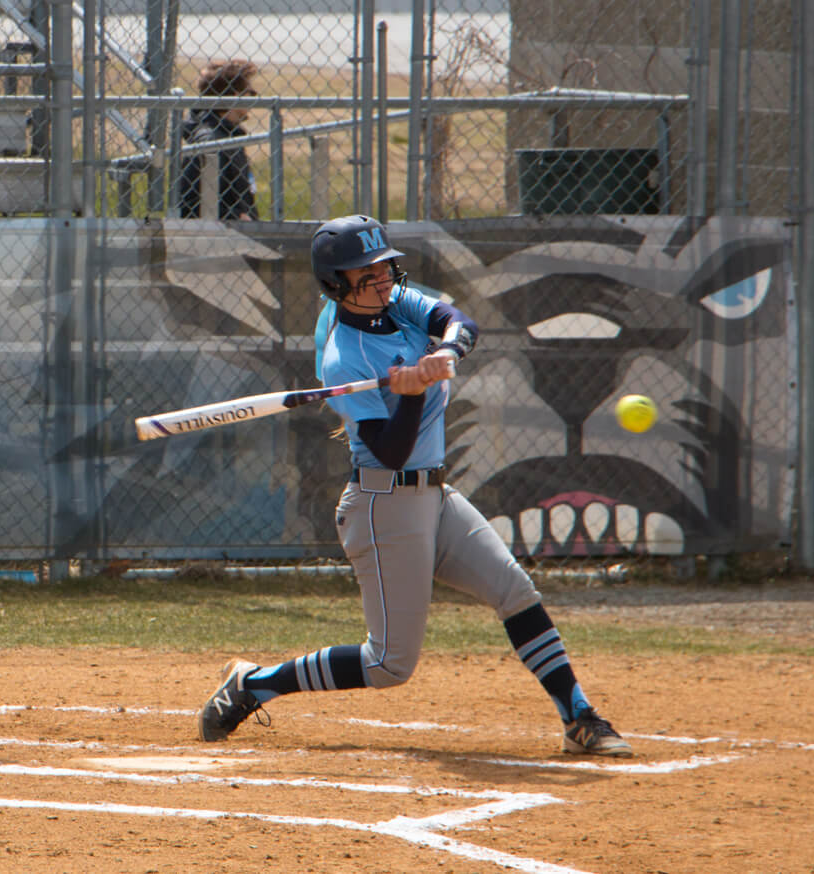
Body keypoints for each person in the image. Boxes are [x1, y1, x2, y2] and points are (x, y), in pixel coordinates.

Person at [195, 214, 633, 758]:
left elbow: (455, 319)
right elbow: (391, 450)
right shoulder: (343, 356)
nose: (383, 278)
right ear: (337, 283)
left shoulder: (394, 303)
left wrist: (445, 352)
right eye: (367, 271)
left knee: (515, 591)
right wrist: (411, 391)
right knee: (388, 664)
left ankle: (579, 719)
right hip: (384, 503)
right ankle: (254, 684)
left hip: (434, 496)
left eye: (384, 266)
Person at [176, 59, 259, 221]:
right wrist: (237, 218)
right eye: (251, 92)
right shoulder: (210, 142)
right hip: (221, 238)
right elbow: (192, 203)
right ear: (235, 95)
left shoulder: (228, 136)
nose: (254, 99)